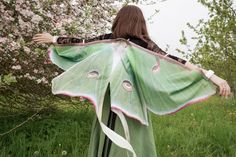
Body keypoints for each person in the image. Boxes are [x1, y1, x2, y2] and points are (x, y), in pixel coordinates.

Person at [33, 5, 231, 157]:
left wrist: (55, 38)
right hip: (119, 101)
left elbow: (82, 43)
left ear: (119, 21)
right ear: (140, 23)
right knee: (117, 134)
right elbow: (178, 62)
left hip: (122, 101)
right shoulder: (114, 41)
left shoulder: (137, 45)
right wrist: (212, 76)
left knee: (123, 136)